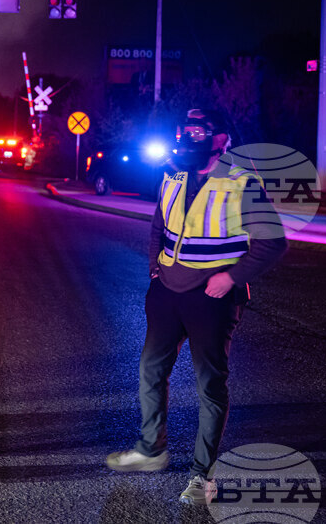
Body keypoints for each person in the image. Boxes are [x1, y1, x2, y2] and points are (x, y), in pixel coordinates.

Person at [106, 108, 288, 504]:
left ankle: (202, 476)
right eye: (185, 130)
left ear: (220, 138)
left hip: (213, 299)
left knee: (209, 385)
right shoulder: (173, 174)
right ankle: (150, 450)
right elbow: (159, 225)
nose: (189, 137)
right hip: (167, 293)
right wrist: (155, 269)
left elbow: (273, 243)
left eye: (199, 131)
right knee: (150, 370)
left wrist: (230, 279)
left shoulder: (242, 184)